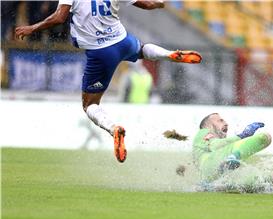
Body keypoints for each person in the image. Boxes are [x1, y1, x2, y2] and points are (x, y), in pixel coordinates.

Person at [15, 0, 202, 163]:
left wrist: (32, 28)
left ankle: (114, 129)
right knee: (141, 50)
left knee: (89, 104)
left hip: (100, 52)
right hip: (122, 41)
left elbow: (58, 17)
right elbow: (146, 4)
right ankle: (169, 54)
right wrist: (161, 3)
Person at [192, 113, 271, 183]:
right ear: (208, 126)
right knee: (264, 137)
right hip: (210, 165)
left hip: (210, 176)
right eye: (220, 121)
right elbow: (214, 145)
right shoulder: (203, 132)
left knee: (265, 178)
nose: (226, 123)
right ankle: (232, 157)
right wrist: (243, 135)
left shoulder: (202, 144)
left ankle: (261, 183)